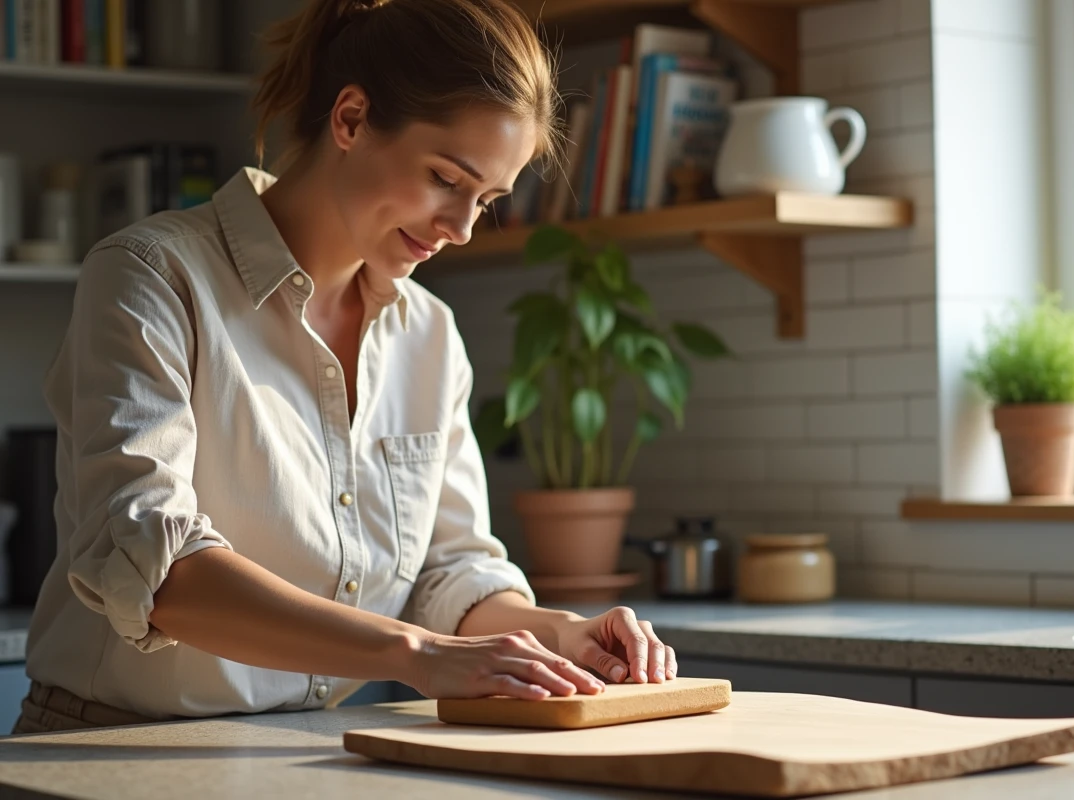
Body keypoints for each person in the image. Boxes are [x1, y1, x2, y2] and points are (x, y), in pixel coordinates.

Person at [13, 0, 676, 735]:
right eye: (445, 179)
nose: (458, 229)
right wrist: (416, 654)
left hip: (300, 752)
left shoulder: (429, 334)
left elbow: (449, 572)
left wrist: (553, 632)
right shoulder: (152, 277)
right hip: (113, 748)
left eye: (484, 201)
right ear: (352, 119)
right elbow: (157, 569)